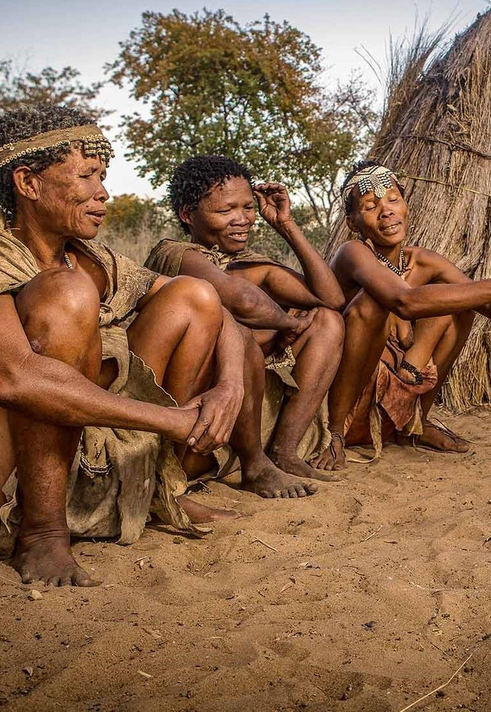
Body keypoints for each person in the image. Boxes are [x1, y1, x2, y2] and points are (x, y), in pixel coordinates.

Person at [0, 106, 250, 587]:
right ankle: (41, 531)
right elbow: (10, 377)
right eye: (87, 175)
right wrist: (174, 420)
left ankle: (156, 487)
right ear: (28, 184)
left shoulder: (90, 257)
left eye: (103, 175)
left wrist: (230, 387)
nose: (103, 192)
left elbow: (218, 311)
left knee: (193, 294)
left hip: (75, 465)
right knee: (68, 294)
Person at [316, 161, 491, 470]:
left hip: (390, 410)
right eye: (370, 206)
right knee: (375, 303)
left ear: (405, 206)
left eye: (393, 199)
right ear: (352, 223)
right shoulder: (351, 253)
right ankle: (333, 436)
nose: (386, 210)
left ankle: (416, 423)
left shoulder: (425, 262)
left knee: (460, 305)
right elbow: (404, 301)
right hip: (349, 409)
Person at [145, 155, 345, 488]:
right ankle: (253, 465)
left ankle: (285, 452)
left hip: (250, 403)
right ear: (187, 215)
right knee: (240, 336)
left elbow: (332, 299)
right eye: (225, 211)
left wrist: (285, 225)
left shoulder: (248, 263)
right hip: (197, 401)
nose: (242, 220)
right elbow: (242, 301)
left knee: (328, 321)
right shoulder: (175, 254)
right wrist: (288, 324)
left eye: (248, 208)